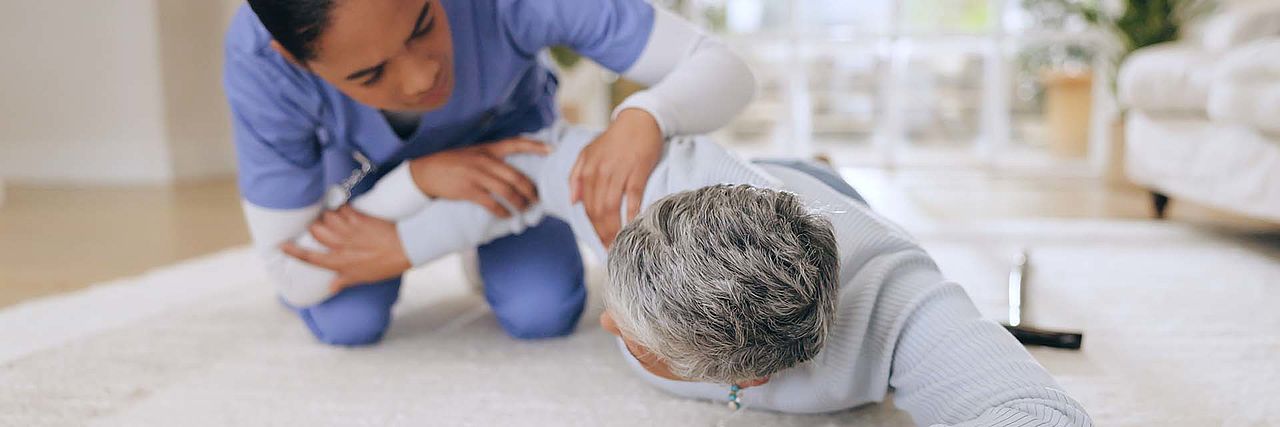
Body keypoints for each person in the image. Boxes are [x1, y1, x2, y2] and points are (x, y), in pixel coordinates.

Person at [286, 125, 1093, 425]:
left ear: (760, 373)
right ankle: (799, 166)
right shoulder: (655, 185)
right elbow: (521, 167)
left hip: (843, 216)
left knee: (833, 191)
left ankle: (819, 171)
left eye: (637, 336)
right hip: (750, 176)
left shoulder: (901, 306)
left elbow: (1025, 409)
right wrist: (401, 244)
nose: (604, 320)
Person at [224, 0, 755, 345]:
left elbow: (723, 68)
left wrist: (646, 116)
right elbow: (291, 270)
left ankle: (487, 244)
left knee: (542, 310)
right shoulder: (261, 64)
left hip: (514, 149)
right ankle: (469, 227)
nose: (420, 78)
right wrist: (418, 183)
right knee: (346, 322)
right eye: (369, 73)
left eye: (423, 25)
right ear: (293, 61)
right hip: (372, 183)